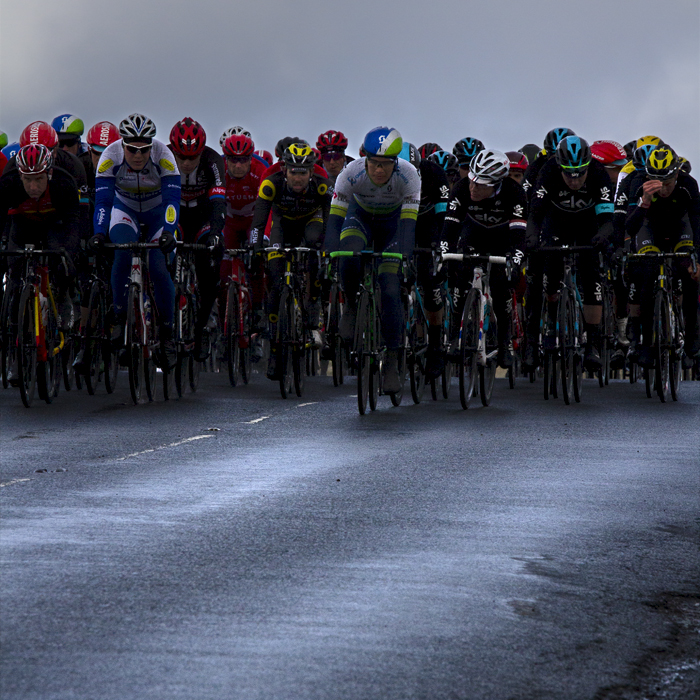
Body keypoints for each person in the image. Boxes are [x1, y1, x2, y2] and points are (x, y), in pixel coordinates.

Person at [325, 126, 421, 393]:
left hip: (393, 225)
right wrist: (329, 252)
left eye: (385, 165)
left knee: (390, 288)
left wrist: (406, 256)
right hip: (361, 218)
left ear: (395, 162)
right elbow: (334, 221)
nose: (379, 170)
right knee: (348, 253)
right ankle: (353, 306)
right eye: (374, 164)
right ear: (365, 159)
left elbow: (408, 227)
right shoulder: (351, 173)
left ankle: (391, 360)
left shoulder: (409, 176)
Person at [90, 113, 181, 370]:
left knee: (158, 265)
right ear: (123, 145)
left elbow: (173, 202)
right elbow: (104, 203)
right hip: (125, 210)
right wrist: (98, 233)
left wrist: (169, 232)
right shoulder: (110, 157)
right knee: (122, 252)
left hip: (157, 213)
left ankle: (167, 333)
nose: (138, 155)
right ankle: (119, 315)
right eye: (132, 149)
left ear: (152, 145)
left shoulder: (164, 156)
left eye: (144, 149)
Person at [524, 135, 615, 371]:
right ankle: (552, 323)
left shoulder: (598, 173)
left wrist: (603, 235)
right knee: (551, 269)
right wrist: (532, 238)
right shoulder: (548, 170)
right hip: (556, 222)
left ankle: (592, 344)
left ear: (587, 167)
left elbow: (608, 220)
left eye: (579, 174)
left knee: (591, 273)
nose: (574, 181)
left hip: (588, 225)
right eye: (568, 174)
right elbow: (534, 215)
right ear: (559, 167)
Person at [0, 144, 80, 385]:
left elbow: (74, 222)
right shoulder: (9, 184)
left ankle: (63, 298)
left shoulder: (63, 183)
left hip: (54, 225)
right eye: (27, 180)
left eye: (38, 180)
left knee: (62, 262)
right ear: (20, 177)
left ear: (49, 175)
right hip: (23, 225)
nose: (33, 187)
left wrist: (67, 254)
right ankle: (15, 352)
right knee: (13, 275)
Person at [250, 143, 331, 380]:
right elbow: (257, 223)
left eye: (303, 172)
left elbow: (332, 224)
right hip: (282, 226)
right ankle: (275, 351)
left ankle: (312, 308)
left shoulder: (322, 187)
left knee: (317, 246)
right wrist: (255, 249)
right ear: (284, 170)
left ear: (311, 172)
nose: (298, 178)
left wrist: (328, 252)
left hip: (311, 223)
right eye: (293, 172)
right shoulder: (270, 185)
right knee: (274, 283)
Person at [441, 149, 527, 369]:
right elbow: (449, 232)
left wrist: (515, 262)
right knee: (460, 278)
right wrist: (444, 256)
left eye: (480, 185)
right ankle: (454, 337)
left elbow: (519, 238)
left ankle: (504, 341)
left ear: (496, 183)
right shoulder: (460, 189)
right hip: (472, 236)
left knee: (502, 286)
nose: (472, 187)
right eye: (472, 180)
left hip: (502, 240)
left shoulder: (514, 192)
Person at [624, 146, 699, 369]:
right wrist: (645, 201)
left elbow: (697, 221)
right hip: (651, 231)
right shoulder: (639, 187)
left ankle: (693, 338)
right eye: (658, 182)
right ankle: (647, 344)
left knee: (689, 273)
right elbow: (631, 227)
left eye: (668, 182)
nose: (664, 188)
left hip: (681, 229)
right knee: (648, 278)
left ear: (677, 175)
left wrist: (698, 256)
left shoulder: (689, 185)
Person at [169, 118, 226, 360]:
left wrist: (215, 233)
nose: (186, 162)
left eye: (193, 157)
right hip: (176, 215)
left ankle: (201, 327)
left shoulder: (214, 162)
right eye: (181, 156)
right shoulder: (163, 158)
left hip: (203, 216)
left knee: (208, 268)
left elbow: (218, 203)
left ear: (201, 152)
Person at [522, 127, 575, 204]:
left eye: (564, 157)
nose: (557, 162)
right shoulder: (536, 166)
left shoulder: (589, 166)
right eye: (554, 157)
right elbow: (524, 194)